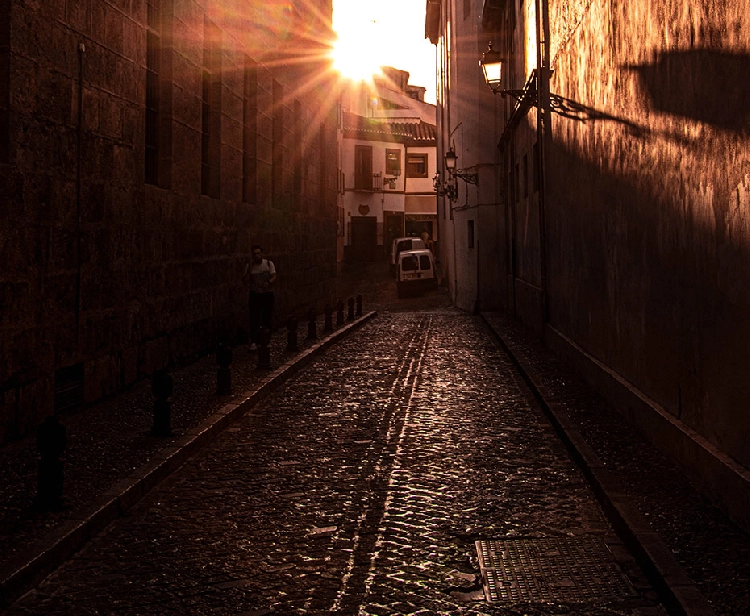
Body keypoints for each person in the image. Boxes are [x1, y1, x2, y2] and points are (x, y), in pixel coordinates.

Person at [242, 245, 276, 350]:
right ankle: (254, 341)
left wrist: (268, 282)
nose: (256, 256)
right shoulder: (249, 266)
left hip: (267, 294)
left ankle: (266, 340)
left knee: (267, 318)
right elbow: (245, 281)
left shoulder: (268, 264)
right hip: (255, 295)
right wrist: (250, 270)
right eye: (254, 254)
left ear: (262, 254)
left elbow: (274, 275)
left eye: (258, 253)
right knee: (254, 319)